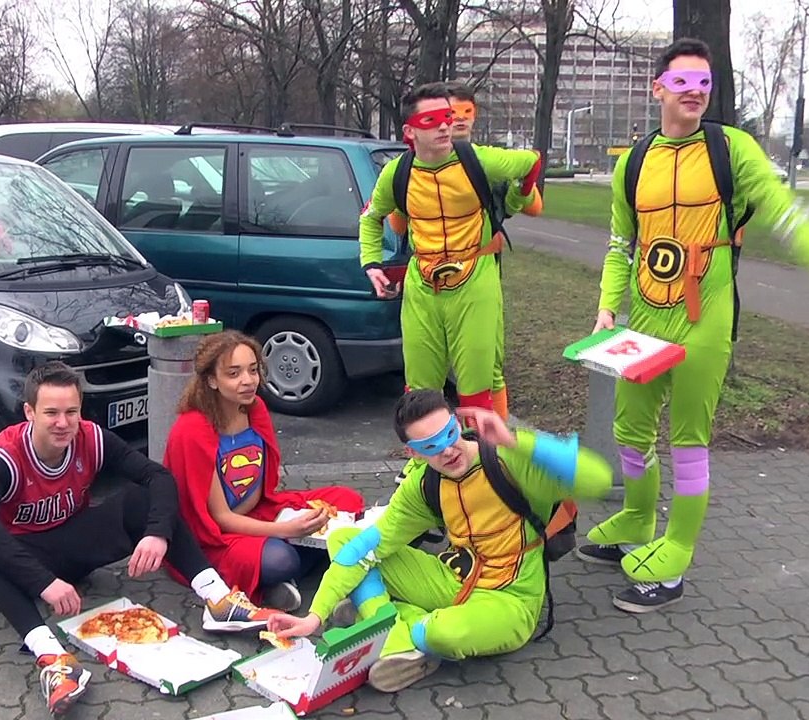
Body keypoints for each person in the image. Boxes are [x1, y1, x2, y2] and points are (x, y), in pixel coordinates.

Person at [576, 37, 809, 613]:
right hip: (645, 317)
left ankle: (675, 556)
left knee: (688, 440)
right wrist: (607, 306)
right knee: (628, 432)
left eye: (704, 83)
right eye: (683, 82)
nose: (695, 92)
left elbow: (783, 204)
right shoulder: (633, 162)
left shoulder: (730, 148)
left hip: (703, 319)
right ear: (657, 88)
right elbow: (621, 243)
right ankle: (638, 518)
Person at [0, 361, 281, 716]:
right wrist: (44, 583)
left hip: (73, 542)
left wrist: (158, 533)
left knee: (142, 499)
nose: (63, 423)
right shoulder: (4, 456)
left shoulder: (91, 437)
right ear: (29, 412)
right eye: (51, 412)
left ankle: (218, 600)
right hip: (26, 560)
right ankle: (53, 659)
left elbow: (157, 476)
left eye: (71, 412)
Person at [266, 389, 614, 692]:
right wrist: (314, 618)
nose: (448, 450)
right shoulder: (424, 485)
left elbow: (597, 480)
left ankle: (385, 627)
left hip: (510, 600)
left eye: (449, 434)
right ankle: (392, 631)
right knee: (344, 539)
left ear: (456, 423)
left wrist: (514, 440)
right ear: (413, 453)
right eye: (431, 446)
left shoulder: (509, 461)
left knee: (446, 634)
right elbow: (366, 546)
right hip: (451, 582)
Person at [361, 81, 541, 419]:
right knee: (420, 391)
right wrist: (371, 263)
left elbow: (531, 162)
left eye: (448, 116)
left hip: (475, 277)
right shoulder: (396, 173)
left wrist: (516, 199)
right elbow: (370, 218)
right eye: (431, 120)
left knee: (477, 386)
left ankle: (486, 463)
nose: (445, 125)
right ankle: (422, 467)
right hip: (422, 284)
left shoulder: (480, 160)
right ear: (410, 130)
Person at [163, 330, 364, 612]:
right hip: (214, 535)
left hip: (258, 511)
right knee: (281, 560)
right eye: (233, 374)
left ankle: (278, 580)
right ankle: (295, 569)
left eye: (253, 370)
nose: (247, 381)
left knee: (348, 501)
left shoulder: (255, 408)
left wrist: (286, 523)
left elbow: (260, 493)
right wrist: (284, 529)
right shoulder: (192, 430)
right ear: (211, 380)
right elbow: (220, 519)